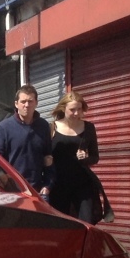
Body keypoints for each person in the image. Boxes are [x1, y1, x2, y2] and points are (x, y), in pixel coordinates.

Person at [48, 90, 106, 223]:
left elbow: (95, 157)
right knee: (60, 223)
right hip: (58, 184)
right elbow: (44, 154)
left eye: (79, 109)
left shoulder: (89, 127)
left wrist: (85, 158)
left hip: (82, 183)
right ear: (63, 108)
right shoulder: (51, 127)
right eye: (72, 109)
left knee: (86, 222)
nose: (76, 113)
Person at [0, 84, 53, 197]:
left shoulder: (43, 126)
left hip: (38, 191)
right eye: (23, 101)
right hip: (13, 191)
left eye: (30, 101)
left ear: (36, 103)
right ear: (16, 104)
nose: (27, 105)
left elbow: (48, 157)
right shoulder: (4, 128)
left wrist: (48, 185)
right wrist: (5, 186)